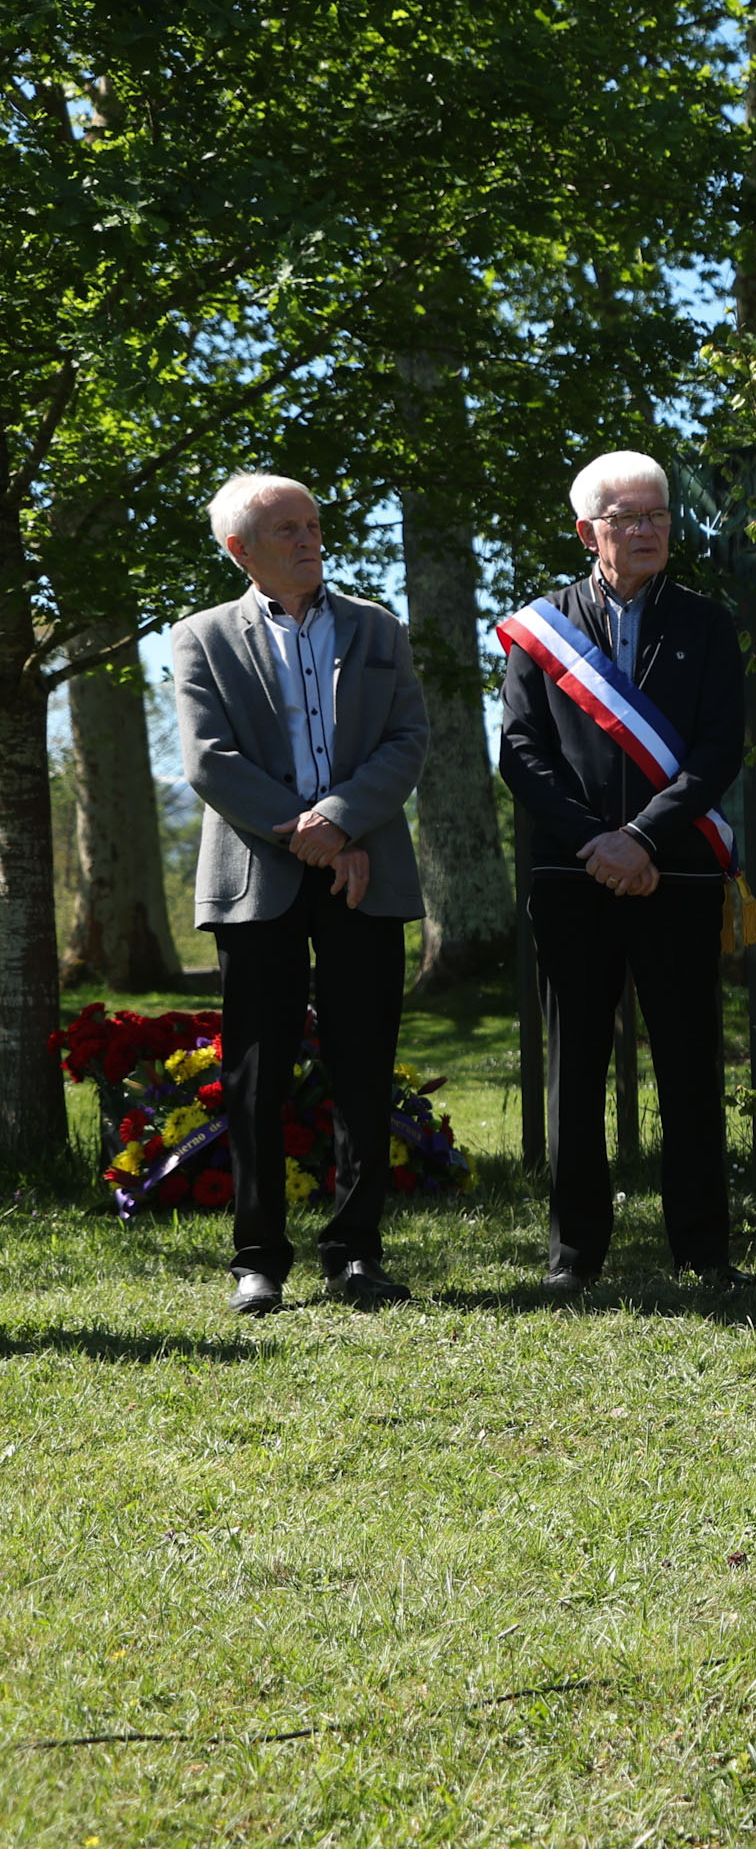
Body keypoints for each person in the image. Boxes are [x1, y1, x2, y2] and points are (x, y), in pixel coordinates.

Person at [169, 473, 431, 1318]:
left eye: (314, 524)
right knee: (256, 1073)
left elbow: (408, 737)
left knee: (362, 1065)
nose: (310, 539)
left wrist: (342, 822)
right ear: (239, 548)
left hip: (365, 871)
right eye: (287, 529)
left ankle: (356, 1253)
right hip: (258, 877)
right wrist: (305, 831)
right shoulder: (201, 637)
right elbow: (209, 759)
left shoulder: (377, 627)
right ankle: (258, 1261)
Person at [495, 450, 753, 1294]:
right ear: (587, 532)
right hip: (574, 882)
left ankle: (702, 1252)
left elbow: (719, 748)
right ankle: (575, 1257)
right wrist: (594, 845)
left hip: (674, 875)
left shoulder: (708, 624)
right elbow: (522, 754)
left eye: (659, 516)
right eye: (627, 518)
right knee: (574, 1072)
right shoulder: (541, 630)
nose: (647, 531)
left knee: (689, 1066)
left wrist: (640, 837)